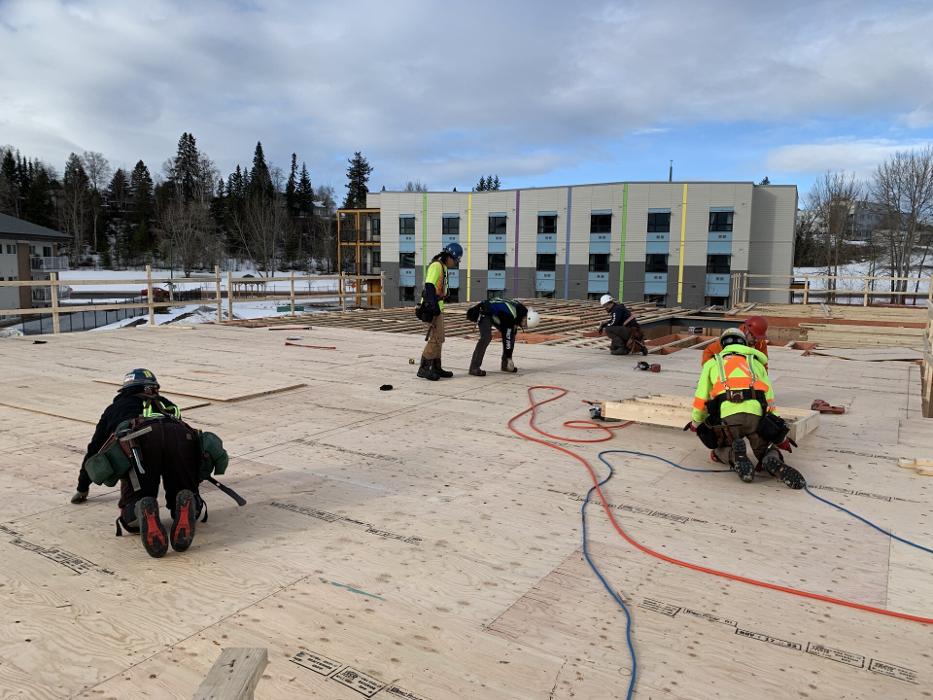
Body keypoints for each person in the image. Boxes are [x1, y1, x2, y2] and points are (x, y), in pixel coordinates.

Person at [78, 369, 204, 557]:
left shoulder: (115, 408)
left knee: (132, 513)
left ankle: (140, 508)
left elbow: (94, 449)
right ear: (152, 388)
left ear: (126, 389)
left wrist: (82, 487)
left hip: (138, 442)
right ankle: (189, 504)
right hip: (179, 435)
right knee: (184, 489)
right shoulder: (166, 404)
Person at [688, 328, 803, 489]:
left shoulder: (712, 363)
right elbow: (769, 400)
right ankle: (771, 459)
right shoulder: (757, 364)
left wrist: (696, 422)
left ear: (723, 344)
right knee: (768, 448)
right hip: (756, 417)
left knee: (718, 450)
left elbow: (701, 399)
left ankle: (735, 456)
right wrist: (779, 435)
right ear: (744, 343)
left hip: (728, 420)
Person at [416, 242, 462, 381]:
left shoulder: (443, 267)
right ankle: (424, 368)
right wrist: (433, 306)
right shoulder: (436, 266)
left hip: (438, 307)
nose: (456, 263)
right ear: (449, 257)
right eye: (456, 260)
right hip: (432, 308)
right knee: (436, 338)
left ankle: (436, 367)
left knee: (439, 338)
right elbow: (429, 285)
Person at [466, 298, 540, 375]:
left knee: (512, 333)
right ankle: (474, 368)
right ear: (526, 317)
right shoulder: (511, 315)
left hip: (496, 313)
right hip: (484, 312)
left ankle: (505, 365)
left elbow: (509, 333)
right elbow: (507, 337)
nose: (524, 325)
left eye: (526, 326)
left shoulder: (520, 311)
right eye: (525, 323)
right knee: (486, 337)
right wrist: (509, 357)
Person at [701, 315, 769, 366]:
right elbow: (709, 352)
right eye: (754, 336)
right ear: (747, 331)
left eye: (758, 337)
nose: (756, 340)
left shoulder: (761, 343)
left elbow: (764, 364)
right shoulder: (732, 339)